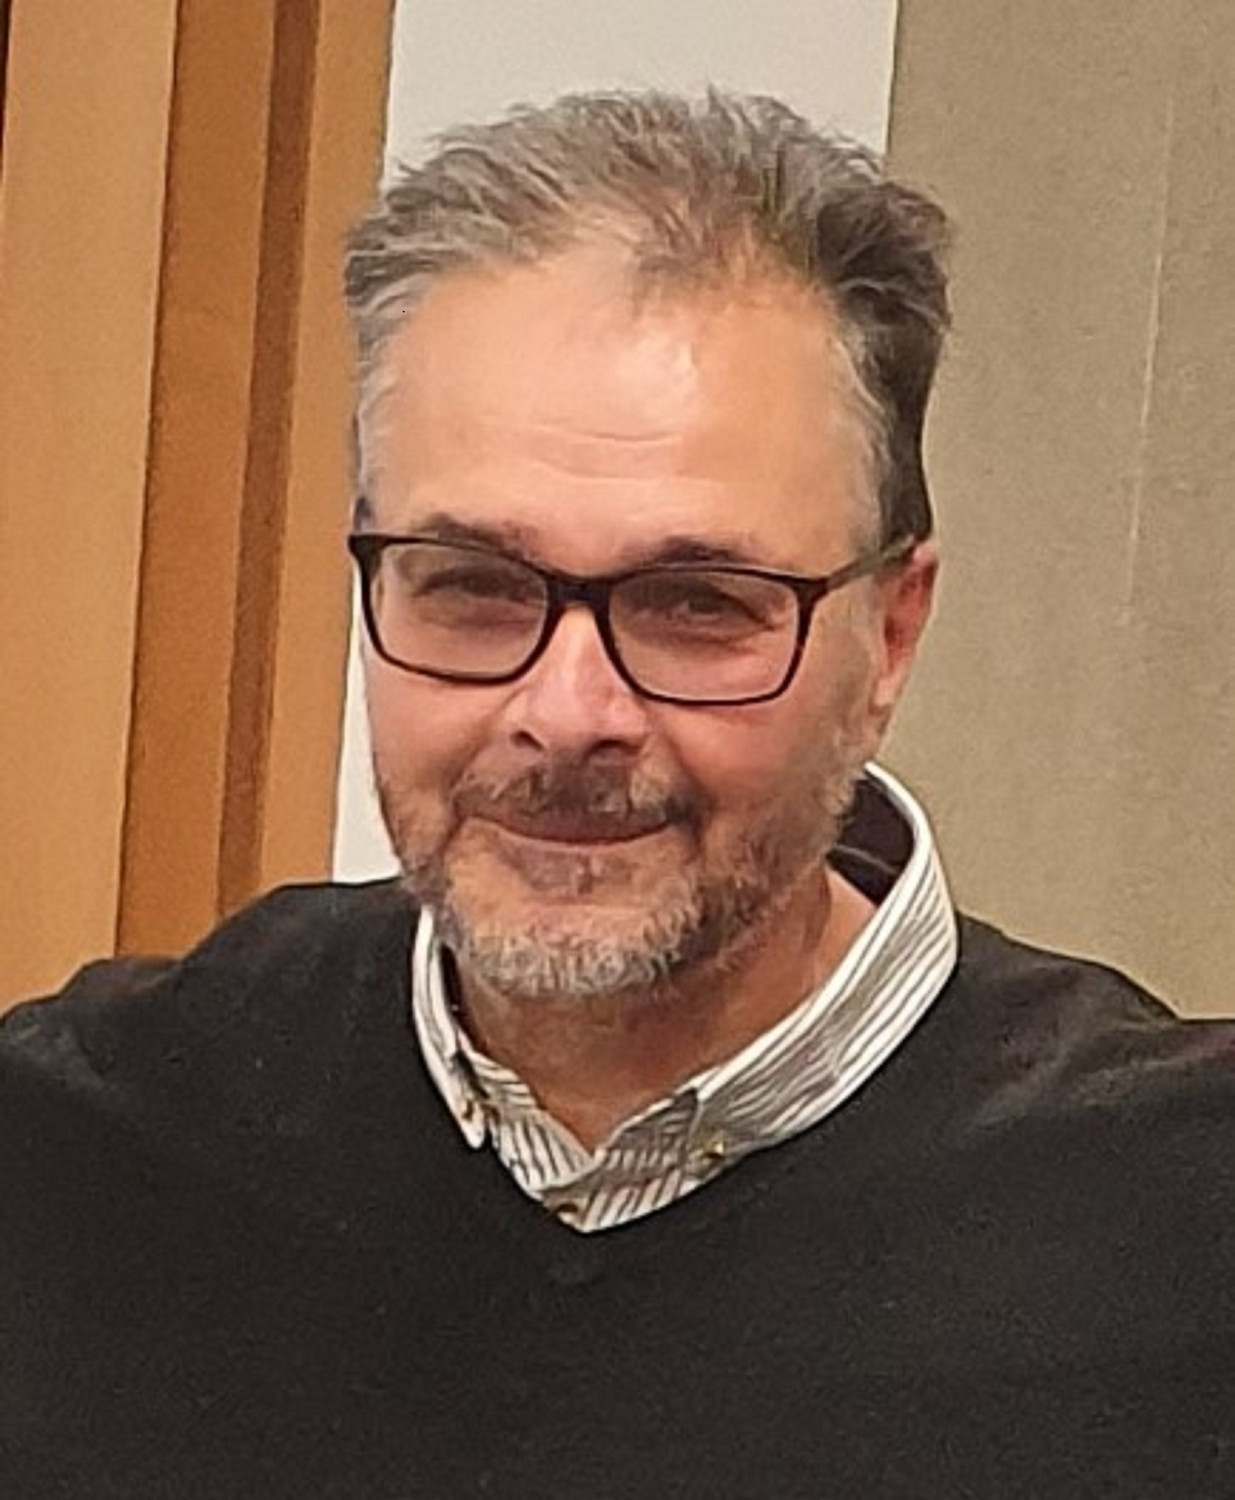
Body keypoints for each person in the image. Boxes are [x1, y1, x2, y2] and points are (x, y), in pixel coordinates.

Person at [2, 89, 1232, 1499]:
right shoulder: (96, 1150)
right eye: (472, 585)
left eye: (696, 602)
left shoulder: (1182, 1236)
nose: (569, 713)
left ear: (889, 636)